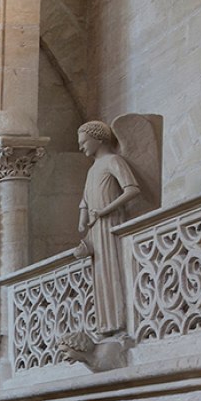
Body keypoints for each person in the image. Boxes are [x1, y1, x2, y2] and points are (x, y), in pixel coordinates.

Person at [75, 120, 141, 336]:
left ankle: (119, 323)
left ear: (98, 139)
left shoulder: (114, 160)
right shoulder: (92, 170)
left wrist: (104, 211)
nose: (81, 147)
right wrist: (82, 220)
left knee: (114, 271)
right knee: (101, 276)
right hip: (96, 229)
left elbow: (131, 190)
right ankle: (106, 324)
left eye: (84, 142)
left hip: (112, 225)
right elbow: (84, 200)